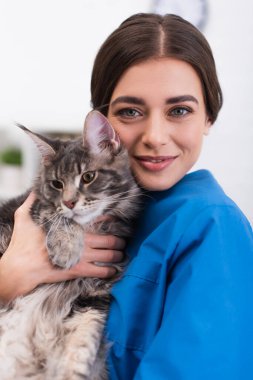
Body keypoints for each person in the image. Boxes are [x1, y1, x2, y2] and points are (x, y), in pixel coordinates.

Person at [1, 12, 253, 379]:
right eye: (130, 111)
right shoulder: (107, 213)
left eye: (179, 110)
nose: (155, 135)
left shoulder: (211, 226)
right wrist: (9, 276)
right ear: (103, 125)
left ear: (209, 117)